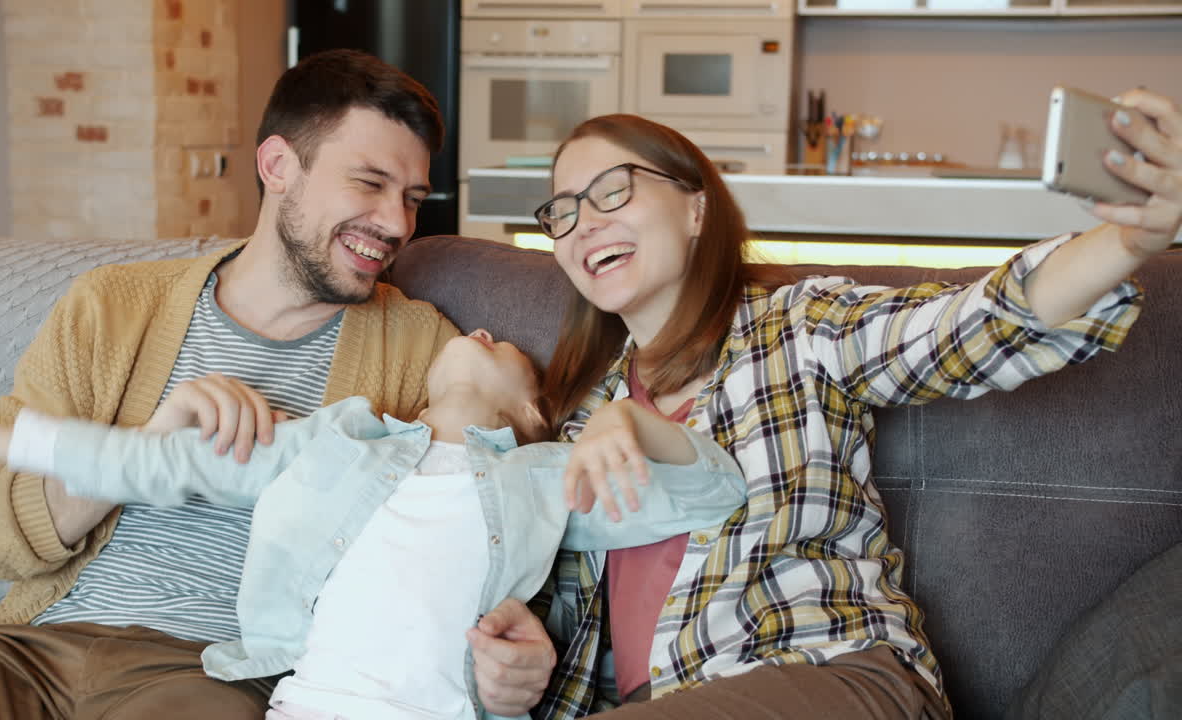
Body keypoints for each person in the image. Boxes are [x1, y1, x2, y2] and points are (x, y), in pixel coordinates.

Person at [468, 87, 1182, 718]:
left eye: (613, 190)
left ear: (696, 207)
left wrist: (1128, 239)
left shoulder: (801, 328)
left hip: (824, 672)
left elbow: (967, 328)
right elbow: (552, 615)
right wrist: (521, 660)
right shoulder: (579, 418)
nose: (584, 221)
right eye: (562, 210)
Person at [0, 49, 462, 718]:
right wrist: (145, 446)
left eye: (412, 198)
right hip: (23, 652)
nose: (397, 223)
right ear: (279, 165)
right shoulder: (111, 307)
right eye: (369, 183)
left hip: (209, 671)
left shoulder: (421, 346)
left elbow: (472, 519)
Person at [0, 328, 748, 720]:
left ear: (531, 408)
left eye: (502, 347)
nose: (483, 330)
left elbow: (718, 493)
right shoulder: (334, 439)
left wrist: (624, 424)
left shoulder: (545, 478)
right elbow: (144, 466)